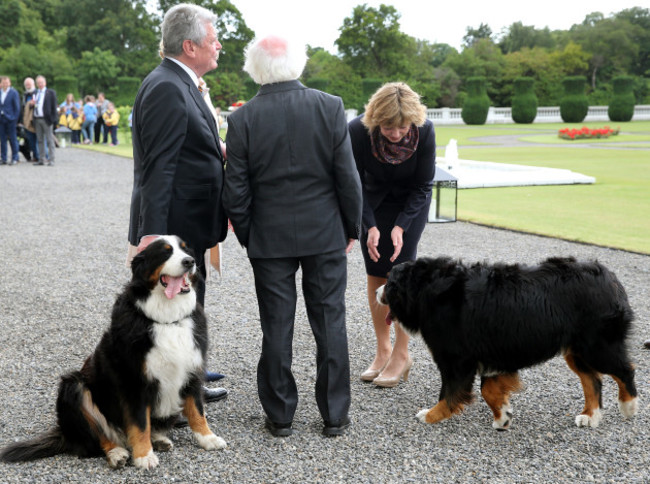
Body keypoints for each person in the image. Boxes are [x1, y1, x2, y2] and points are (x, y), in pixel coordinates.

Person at [223, 34, 362, 437]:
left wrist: (251, 235)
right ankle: (335, 415)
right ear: (297, 63)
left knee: (277, 325)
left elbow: (236, 190)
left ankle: (280, 415)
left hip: (269, 237)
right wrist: (349, 227)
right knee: (330, 320)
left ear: (255, 67)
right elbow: (346, 177)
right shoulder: (329, 106)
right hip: (324, 233)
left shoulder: (243, 118)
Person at [128, 3, 228, 404]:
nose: (219, 45)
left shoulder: (180, 81)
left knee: (187, 303)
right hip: (174, 225)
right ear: (189, 46)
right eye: (212, 40)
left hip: (190, 221)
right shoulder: (169, 87)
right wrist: (154, 237)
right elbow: (160, 168)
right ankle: (180, 392)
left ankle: (192, 370)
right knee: (172, 307)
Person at [348, 82, 435, 388]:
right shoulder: (358, 131)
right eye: (387, 127)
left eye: (401, 127)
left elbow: (424, 185)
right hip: (371, 203)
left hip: (411, 204)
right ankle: (382, 349)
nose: (395, 134)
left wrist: (400, 227)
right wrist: (369, 226)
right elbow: (353, 182)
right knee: (375, 270)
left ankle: (401, 353)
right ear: (375, 120)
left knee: (401, 273)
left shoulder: (425, 131)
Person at [32, 75, 58, 166]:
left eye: (41, 82)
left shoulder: (50, 93)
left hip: (47, 119)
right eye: (38, 83)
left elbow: (54, 107)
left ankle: (52, 159)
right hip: (37, 118)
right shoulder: (35, 93)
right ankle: (42, 159)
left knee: (49, 139)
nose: (40, 84)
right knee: (40, 140)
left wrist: (53, 120)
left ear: (45, 83)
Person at [0, 76, 21, 165]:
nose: (5, 84)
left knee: (13, 139)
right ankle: (4, 158)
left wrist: (14, 118)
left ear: (10, 83)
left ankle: (15, 157)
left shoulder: (13, 92)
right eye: (3, 82)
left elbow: (17, 107)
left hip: (11, 119)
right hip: (1, 119)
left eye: (6, 82)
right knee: (3, 140)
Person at [20, 77, 39, 161]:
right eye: (26, 84)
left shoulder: (38, 93)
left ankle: (39, 156)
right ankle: (35, 155)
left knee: (39, 139)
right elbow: (22, 108)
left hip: (36, 120)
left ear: (33, 84)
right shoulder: (25, 95)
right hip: (27, 121)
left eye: (29, 84)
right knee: (30, 140)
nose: (28, 86)